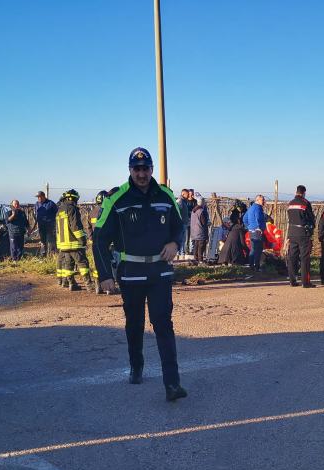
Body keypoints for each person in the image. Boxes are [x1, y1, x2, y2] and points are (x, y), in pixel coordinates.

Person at [93, 147, 187, 401]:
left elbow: (180, 227)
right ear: (130, 170)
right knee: (135, 324)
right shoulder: (117, 199)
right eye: (137, 169)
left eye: (146, 168)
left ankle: (172, 383)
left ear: (152, 169)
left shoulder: (165, 196)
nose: (142, 174)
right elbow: (99, 239)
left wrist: (175, 244)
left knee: (163, 324)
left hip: (159, 272)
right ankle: (136, 364)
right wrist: (105, 275)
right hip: (131, 273)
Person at [55, 189, 94, 292]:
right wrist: (82, 239)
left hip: (63, 245)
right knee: (83, 263)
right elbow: (75, 226)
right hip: (74, 244)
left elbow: (58, 229)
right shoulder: (72, 209)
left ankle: (71, 284)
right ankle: (89, 285)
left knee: (68, 264)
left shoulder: (59, 210)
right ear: (72, 198)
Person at [285, 185, 316, 287]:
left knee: (292, 257)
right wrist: (311, 228)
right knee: (304, 258)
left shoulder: (290, 203)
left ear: (296, 191)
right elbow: (311, 218)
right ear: (304, 192)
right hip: (303, 233)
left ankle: (292, 280)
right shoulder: (305, 203)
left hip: (292, 232)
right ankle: (305, 282)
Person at [243, 195, 268, 271]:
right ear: (258, 200)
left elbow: (244, 218)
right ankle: (257, 267)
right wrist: (258, 227)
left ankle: (251, 265)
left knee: (253, 249)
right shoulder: (258, 208)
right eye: (262, 200)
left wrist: (249, 227)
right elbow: (258, 218)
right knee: (258, 249)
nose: (264, 201)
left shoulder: (251, 208)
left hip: (251, 231)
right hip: (257, 231)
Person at [34, 190, 58, 256]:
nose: (38, 198)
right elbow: (36, 214)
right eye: (37, 197)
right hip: (41, 226)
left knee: (51, 240)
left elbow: (57, 213)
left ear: (44, 196)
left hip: (50, 226)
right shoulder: (36, 204)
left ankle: (53, 254)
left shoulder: (51, 203)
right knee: (42, 241)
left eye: (39, 197)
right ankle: (43, 254)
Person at [189, 195, 210, 264]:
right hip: (200, 231)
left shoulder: (193, 210)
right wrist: (208, 223)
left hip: (194, 231)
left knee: (196, 245)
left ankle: (196, 259)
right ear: (202, 202)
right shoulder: (201, 211)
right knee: (201, 246)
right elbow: (204, 222)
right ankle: (200, 260)